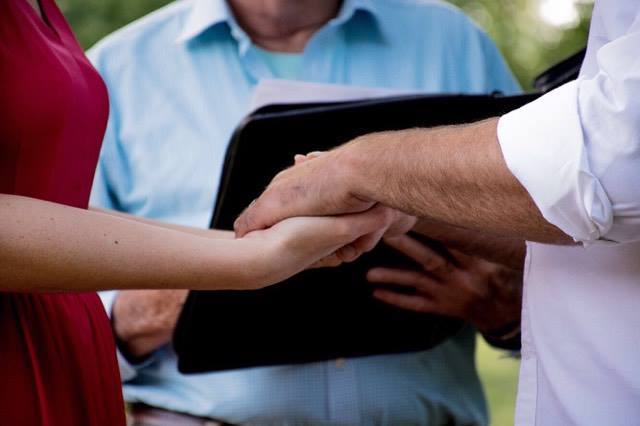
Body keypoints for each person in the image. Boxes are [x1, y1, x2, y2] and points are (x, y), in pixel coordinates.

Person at [89, 0, 523, 424]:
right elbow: (48, 308)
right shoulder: (114, 70)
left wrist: (510, 308)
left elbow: (561, 236)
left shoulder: (454, 41)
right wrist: (154, 306)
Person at [236, 0, 640, 424]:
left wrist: (357, 170)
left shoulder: (456, 38)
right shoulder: (155, 59)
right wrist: (405, 205)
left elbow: (611, 164)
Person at [0, 0, 390, 424]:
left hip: (58, 345)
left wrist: (248, 244)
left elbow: (57, 207)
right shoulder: (124, 55)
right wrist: (252, 260)